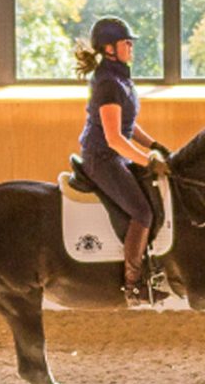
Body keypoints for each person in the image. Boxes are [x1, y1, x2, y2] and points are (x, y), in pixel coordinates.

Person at [72, 17, 169, 307]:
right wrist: (148, 161)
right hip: (102, 158)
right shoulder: (108, 84)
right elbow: (114, 138)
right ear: (110, 48)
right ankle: (133, 284)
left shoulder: (120, 78)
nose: (131, 48)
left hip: (115, 153)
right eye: (127, 43)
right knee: (142, 212)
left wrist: (153, 145)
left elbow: (128, 124)